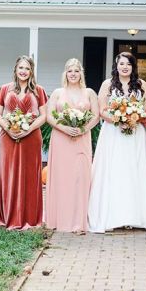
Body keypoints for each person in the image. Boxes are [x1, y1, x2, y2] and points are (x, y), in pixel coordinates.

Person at [88, 52, 146, 232]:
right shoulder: (107, 84)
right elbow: (102, 110)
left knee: (134, 170)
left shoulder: (141, 85)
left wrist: (135, 118)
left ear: (133, 67)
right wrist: (119, 119)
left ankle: (135, 217)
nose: (125, 67)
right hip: (113, 134)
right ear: (116, 66)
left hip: (136, 134)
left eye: (128, 64)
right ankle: (113, 216)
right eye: (121, 63)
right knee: (115, 171)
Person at [45, 58, 99, 233]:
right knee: (63, 178)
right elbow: (50, 117)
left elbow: (95, 116)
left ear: (81, 73)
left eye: (76, 71)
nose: (73, 74)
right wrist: (65, 128)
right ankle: (60, 219)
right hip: (62, 138)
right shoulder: (58, 92)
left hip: (81, 139)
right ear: (65, 73)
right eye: (70, 71)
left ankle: (78, 221)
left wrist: (83, 129)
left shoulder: (89, 92)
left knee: (80, 177)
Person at [0, 55, 47, 229]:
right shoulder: (4, 89)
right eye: (21, 68)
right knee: (9, 173)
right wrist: (9, 129)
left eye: (27, 68)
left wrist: (29, 130)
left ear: (31, 71)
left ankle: (30, 218)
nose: (23, 71)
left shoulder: (38, 90)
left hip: (31, 137)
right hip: (8, 137)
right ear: (15, 70)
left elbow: (44, 116)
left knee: (30, 175)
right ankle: (8, 216)